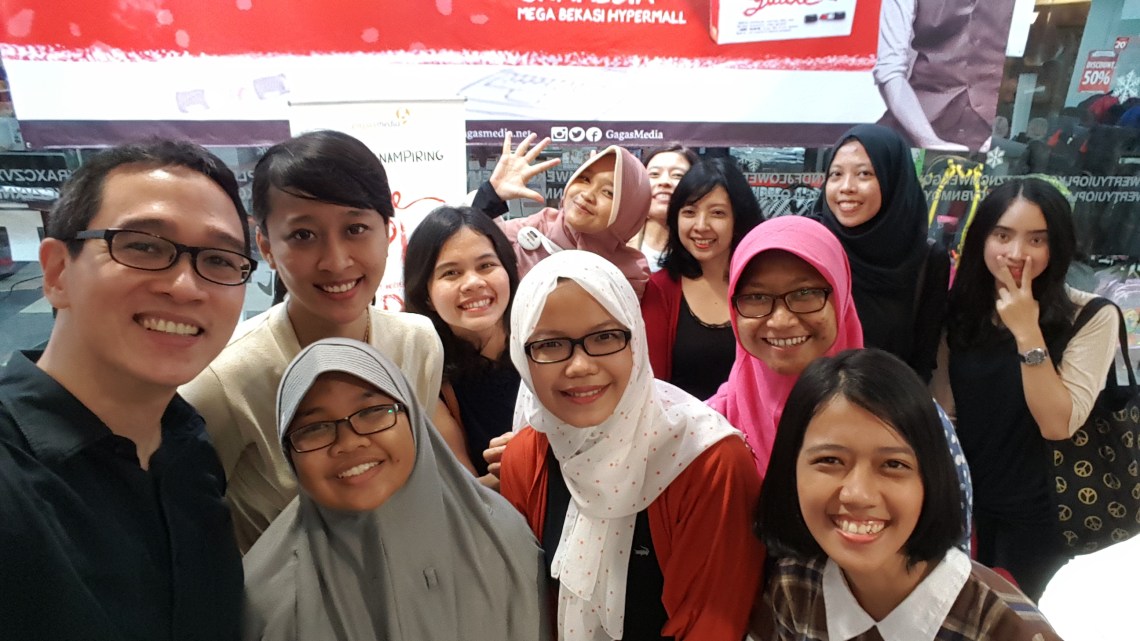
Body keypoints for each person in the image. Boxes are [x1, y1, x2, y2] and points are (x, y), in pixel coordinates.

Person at [0, 140, 251, 639]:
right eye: (143, 246)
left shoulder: (192, 451)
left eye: (219, 259)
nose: (185, 286)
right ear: (57, 272)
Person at [180, 130, 445, 553]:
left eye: (356, 228)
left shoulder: (418, 343)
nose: (336, 261)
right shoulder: (222, 382)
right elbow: (193, 531)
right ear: (266, 246)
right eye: (303, 235)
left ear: (388, 232)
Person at [500, 250, 764, 641]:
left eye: (605, 337)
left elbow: (711, 625)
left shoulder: (707, 462)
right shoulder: (527, 456)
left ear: (636, 340)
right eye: (550, 344)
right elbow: (526, 608)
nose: (580, 365)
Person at [242, 338, 550, 641]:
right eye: (314, 428)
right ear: (288, 453)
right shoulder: (268, 599)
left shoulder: (502, 540)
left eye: (372, 411)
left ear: (413, 419)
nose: (349, 442)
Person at [753, 349, 1063, 640]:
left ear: (932, 478)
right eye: (830, 460)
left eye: (893, 464)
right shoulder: (794, 587)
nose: (858, 494)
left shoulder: (1006, 628)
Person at [934, 177, 1118, 601]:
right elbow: (947, 410)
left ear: (1057, 246)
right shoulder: (961, 312)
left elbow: (1057, 423)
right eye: (1003, 235)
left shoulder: (1091, 316)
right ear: (982, 239)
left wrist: (1027, 332)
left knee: (1021, 621)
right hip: (968, 508)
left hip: (1046, 519)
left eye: (1037, 239)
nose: (1017, 253)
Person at [813, 124, 948, 383]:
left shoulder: (926, 260)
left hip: (886, 400)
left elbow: (921, 361)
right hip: (811, 398)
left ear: (893, 178)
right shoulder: (811, 246)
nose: (846, 187)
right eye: (836, 174)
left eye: (864, 174)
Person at [405, 205, 520, 482]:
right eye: (451, 273)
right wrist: (524, 464)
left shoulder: (545, 342)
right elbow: (466, 493)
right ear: (426, 296)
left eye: (486, 265)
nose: (473, 283)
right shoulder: (429, 378)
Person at [471, 133, 652, 296]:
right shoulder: (526, 234)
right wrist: (490, 196)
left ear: (629, 212)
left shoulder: (628, 275)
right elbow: (467, 250)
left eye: (609, 192)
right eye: (585, 179)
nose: (587, 195)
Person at [641, 157, 764, 399]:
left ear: (739, 218)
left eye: (717, 213)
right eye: (689, 212)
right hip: (681, 421)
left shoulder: (764, 284)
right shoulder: (659, 289)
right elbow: (652, 385)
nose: (701, 225)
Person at [874, 0, 1016, 151]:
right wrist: (928, 140)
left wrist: (997, 139)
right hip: (920, 122)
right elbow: (890, 69)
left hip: (992, 129)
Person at [628, 143, 700, 272]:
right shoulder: (618, 241)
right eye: (654, 174)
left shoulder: (705, 247)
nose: (664, 181)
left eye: (677, 175)